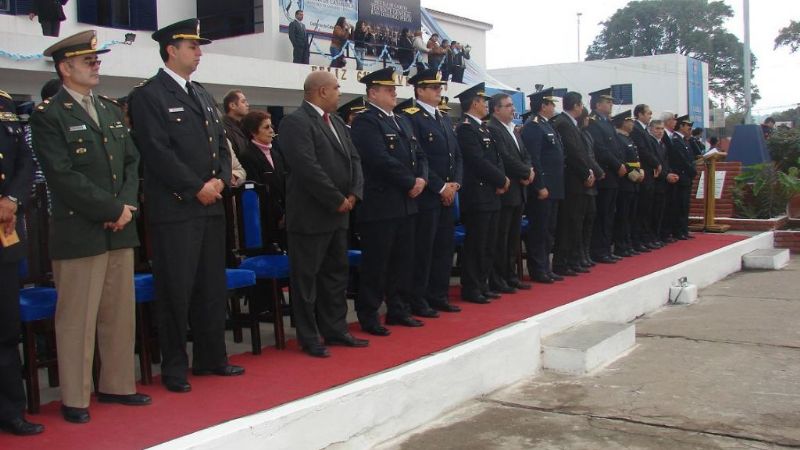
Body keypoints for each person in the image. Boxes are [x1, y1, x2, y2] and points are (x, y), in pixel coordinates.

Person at [30, 30, 150, 423]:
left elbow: (132, 160)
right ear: (65, 68)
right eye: (88, 61)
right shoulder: (49, 115)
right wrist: (112, 208)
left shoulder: (112, 110)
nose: (96, 66)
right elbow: (62, 176)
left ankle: (117, 385)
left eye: (97, 60)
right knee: (77, 318)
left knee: (119, 312)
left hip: (120, 225)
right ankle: (75, 397)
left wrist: (127, 205)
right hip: (80, 229)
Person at [128, 19, 243, 394]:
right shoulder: (149, 95)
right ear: (171, 50)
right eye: (191, 46)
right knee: (176, 290)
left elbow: (221, 147)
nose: (199, 52)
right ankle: (175, 366)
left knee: (211, 286)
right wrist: (196, 187)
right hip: (177, 209)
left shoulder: (202, 94)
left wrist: (221, 179)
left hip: (211, 205)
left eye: (199, 46)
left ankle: (212, 357)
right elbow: (157, 152)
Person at [279, 71, 367, 357]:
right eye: (336, 87)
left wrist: (353, 193)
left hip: (340, 213)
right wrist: (335, 198)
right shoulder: (295, 122)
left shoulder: (338, 122)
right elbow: (307, 167)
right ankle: (309, 336)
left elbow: (354, 158)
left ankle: (336, 329)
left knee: (335, 276)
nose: (340, 92)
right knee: (306, 279)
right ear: (320, 91)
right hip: (311, 215)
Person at [350, 67, 428, 335]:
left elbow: (420, 154)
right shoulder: (366, 122)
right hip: (381, 205)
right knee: (377, 263)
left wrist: (422, 179)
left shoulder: (402, 121)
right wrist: (410, 182)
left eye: (394, 89)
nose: (395, 93)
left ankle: (398, 309)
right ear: (373, 93)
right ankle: (369, 314)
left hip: (407, 203)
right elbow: (378, 159)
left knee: (403, 261)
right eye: (388, 89)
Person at [401, 69, 463, 315]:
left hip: (448, 194)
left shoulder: (444, 118)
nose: (439, 91)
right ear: (419, 90)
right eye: (434, 88)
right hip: (428, 194)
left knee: (444, 248)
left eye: (440, 87)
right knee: (424, 249)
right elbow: (420, 158)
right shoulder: (410, 117)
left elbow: (456, 155)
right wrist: (440, 187)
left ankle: (439, 294)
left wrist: (455, 184)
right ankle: (419, 298)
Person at [0, 90, 44, 436]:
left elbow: (25, 161)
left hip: (4, 231)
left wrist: (11, 199)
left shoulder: (4, 103)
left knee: (5, 329)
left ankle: (10, 410)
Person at [456, 82, 509, 303]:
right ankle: (472, 287)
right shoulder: (466, 129)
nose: (486, 105)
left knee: (489, 243)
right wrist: (500, 178)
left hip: (492, 193)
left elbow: (496, 159)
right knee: (476, 243)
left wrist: (502, 179)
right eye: (483, 101)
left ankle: (483, 282)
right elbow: (477, 161)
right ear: (474, 103)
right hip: (477, 195)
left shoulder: (483, 128)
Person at [487, 93, 533, 293]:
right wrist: (524, 172)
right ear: (496, 109)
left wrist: (529, 171)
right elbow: (505, 158)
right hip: (506, 190)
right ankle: (499, 278)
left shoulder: (513, 130)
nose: (512, 109)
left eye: (512, 105)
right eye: (507, 106)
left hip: (519, 189)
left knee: (513, 238)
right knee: (502, 238)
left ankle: (511, 275)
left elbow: (525, 154)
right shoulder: (494, 129)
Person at [521, 88, 565, 283]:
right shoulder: (534, 126)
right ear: (543, 106)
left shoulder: (548, 125)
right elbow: (535, 159)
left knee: (550, 229)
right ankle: (538, 268)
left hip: (554, 186)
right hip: (544, 186)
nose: (553, 107)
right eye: (551, 104)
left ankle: (546, 266)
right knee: (539, 229)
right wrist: (539, 185)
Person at [551, 91, 596, 274]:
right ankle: (562, 262)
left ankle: (571, 259)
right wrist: (586, 173)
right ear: (576, 105)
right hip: (571, 180)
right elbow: (573, 153)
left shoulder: (571, 124)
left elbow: (582, 152)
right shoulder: (564, 123)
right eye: (581, 104)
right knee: (568, 223)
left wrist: (589, 171)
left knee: (576, 222)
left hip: (578, 179)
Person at [239, 110, 286, 248]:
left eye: (271, 126)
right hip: (265, 218)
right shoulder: (247, 156)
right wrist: (279, 214)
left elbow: (283, 184)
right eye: (266, 127)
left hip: (283, 217)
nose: (271, 130)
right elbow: (260, 191)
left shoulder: (275, 153)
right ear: (253, 132)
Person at [587, 88, 623, 264]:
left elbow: (616, 147)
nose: (611, 105)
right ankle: (598, 250)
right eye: (607, 102)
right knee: (601, 215)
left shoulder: (608, 122)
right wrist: (617, 165)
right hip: (605, 174)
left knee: (609, 214)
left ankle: (606, 247)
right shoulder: (593, 122)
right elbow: (600, 150)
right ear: (597, 104)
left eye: (611, 102)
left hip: (614, 175)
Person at [630, 104, 662, 251]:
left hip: (649, 173)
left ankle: (645, 238)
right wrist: (656, 163)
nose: (650, 115)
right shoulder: (636, 129)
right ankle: (638, 240)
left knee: (647, 209)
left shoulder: (643, 130)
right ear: (640, 114)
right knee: (641, 210)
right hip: (643, 173)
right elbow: (642, 151)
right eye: (648, 113)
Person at [611, 110, 642, 258]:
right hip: (626, 182)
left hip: (634, 182)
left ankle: (628, 243)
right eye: (630, 121)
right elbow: (622, 160)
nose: (632, 123)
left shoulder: (629, 139)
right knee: (623, 216)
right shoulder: (619, 139)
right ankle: (621, 245)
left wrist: (640, 172)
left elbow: (635, 159)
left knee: (631, 215)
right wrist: (634, 174)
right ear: (623, 122)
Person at [578, 107, 605, 268]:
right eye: (586, 118)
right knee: (581, 220)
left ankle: (586, 253)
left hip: (592, 180)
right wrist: (598, 171)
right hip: (585, 180)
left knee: (590, 218)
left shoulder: (587, 134)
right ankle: (580, 254)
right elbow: (585, 156)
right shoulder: (579, 133)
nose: (588, 120)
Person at [648, 119, 677, 243]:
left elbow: (665, 163)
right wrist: (666, 175)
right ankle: (653, 237)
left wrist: (670, 173)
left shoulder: (662, 144)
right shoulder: (651, 143)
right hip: (656, 181)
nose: (660, 132)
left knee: (662, 211)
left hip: (664, 181)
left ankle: (660, 235)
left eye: (662, 129)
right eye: (657, 129)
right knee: (654, 212)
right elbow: (655, 164)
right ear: (651, 129)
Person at [669, 115, 698, 241]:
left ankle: (684, 229)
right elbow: (682, 160)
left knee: (685, 205)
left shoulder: (686, 140)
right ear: (681, 126)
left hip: (687, 177)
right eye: (688, 126)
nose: (690, 129)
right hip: (681, 177)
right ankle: (678, 230)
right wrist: (692, 171)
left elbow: (694, 155)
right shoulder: (676, 140)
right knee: (679, 205)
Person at [221, 89, 250, 157]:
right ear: (232, 105)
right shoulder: (223, 127)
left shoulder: (244, 127)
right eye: (243, 102)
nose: (247, 104)